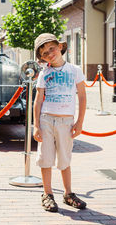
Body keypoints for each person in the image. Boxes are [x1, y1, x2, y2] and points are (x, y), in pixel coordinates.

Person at [33, 33, 87, 212]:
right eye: (44, 53)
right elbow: (38, 100)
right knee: (46, 158)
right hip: (46, 120)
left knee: (65, 158)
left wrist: (79, 122)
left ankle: (68, 193)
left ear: (60, 47)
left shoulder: (75, 70)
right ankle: (47, 194)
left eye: (51, 48)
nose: (49, 54)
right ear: (41, 58)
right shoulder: (44, 73)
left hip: (66, 121)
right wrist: (36, 125)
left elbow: (82, 96)